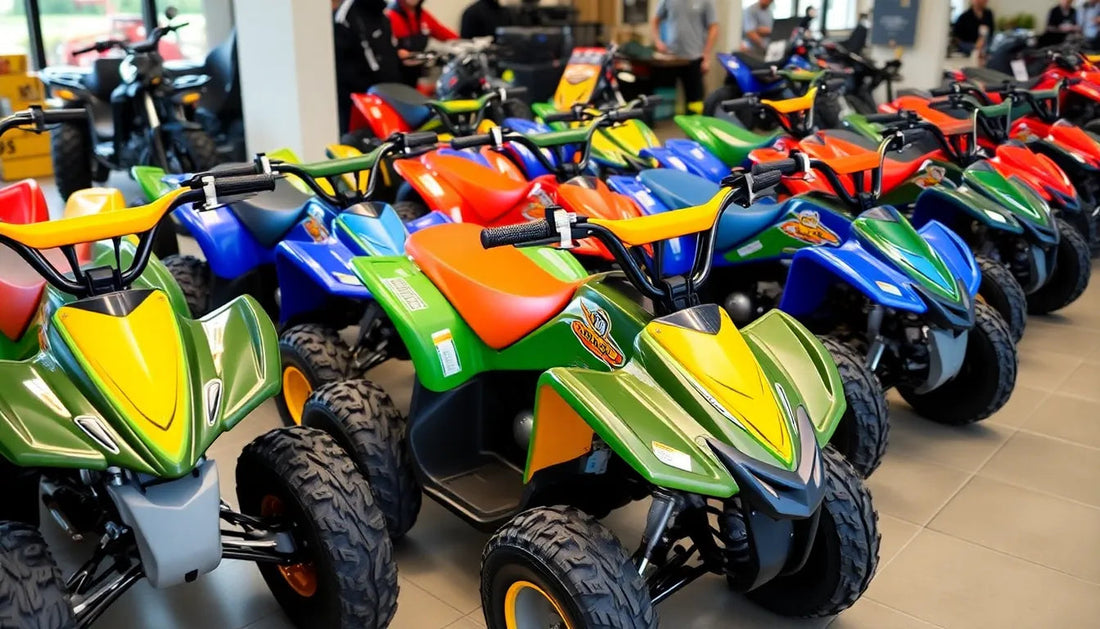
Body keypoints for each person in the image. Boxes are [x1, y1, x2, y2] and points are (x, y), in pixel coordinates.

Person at [332, 0, 404, 132]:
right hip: (359, 104)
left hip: (387, 97)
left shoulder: (382, 13)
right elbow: (344, 68)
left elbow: (389, 54)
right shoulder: (345, 17)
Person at [651, 0, 719, 112]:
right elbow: (655, 20)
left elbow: (713, 27)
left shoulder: (707, 1)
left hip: (694, 58)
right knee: (665, 100)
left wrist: (706, 56)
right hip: (671, 59)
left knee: (695, 102)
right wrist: (658, 42)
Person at [388, 0, 458, 86]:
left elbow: (445, 34)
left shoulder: (423, 15)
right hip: (398, 78)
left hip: (419, 74)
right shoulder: (390, 16)